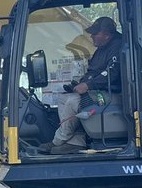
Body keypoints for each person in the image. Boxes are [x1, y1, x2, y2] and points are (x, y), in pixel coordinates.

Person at [42, 16, 125, 153]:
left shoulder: (118, 46)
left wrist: (88, 85)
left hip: (113, 93)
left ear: (107, 34)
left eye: (95, 33)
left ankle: (58, 141)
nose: (91, 36)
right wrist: (79, 84)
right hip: (99, 91)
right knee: (63, 98)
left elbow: (113, 73)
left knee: (73, 102)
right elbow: (93, 72)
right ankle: (77, 142)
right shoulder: (101, 49)